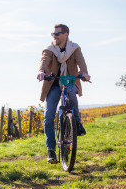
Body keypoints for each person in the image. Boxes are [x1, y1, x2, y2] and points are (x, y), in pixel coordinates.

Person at [37, 24, 91, 164]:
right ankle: (51, 151)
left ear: (66, 34)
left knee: (72, 93)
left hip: (69, 81)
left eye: (57, 34)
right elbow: (44, 61)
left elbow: (81, 62)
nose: (54, 36)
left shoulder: (74, 48)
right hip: (54, 84)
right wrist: (41, 72)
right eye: (53, 34)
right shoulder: (50, 49)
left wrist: (85, 73)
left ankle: (76, 123)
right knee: (48, 116)